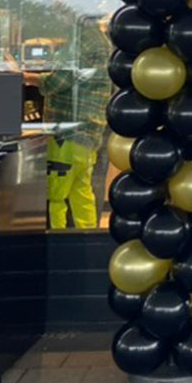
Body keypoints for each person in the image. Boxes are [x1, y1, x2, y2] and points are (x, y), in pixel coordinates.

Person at [38, 19, 110, 230]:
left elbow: (58, 81)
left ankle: (55, 237)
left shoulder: (83, 40)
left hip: (67, 133)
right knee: (82, 192)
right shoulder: (99, 40)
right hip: (88, 134)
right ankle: (87, 237)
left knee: (56, 194)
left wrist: (23, 76)